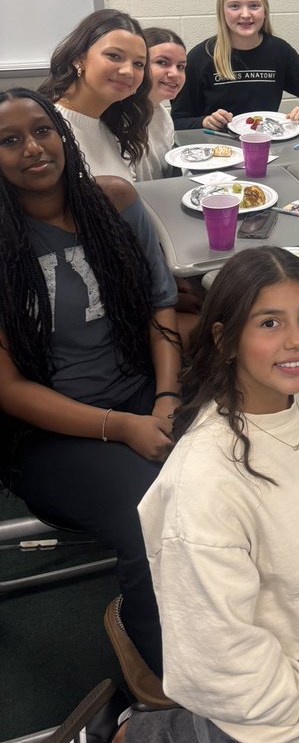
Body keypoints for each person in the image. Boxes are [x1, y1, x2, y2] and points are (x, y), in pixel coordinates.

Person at [125, 247, 299, 742]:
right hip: (261, 676)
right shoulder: (207, 477)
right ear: (225, 340)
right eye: (269, 323)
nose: (297, 340)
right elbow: (219, 655)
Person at [0, 89, 180, 706]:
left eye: (42, 131)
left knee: (244, 463)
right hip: (53, 434)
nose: (32, 149)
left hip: (141, 391)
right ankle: (152, 646)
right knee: (151, 517)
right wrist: (121, 428)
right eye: (10, 140)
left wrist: (166, 396)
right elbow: (9, 388)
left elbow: (162, 307)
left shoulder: (115, 201)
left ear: (63, 135)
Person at [171, 0, 299, 131]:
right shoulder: (200, 57)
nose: (246, 14)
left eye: (254, 5)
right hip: (217, 152)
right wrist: (204, 121)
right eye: (234, 6)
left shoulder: (279, 51)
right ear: (222, 12)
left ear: (265, 11)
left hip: (266, 149)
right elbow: (178, 121)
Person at [38, 8, 152, 183]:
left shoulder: (116, 126)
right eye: (114, 56)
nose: (128, 71)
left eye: (138, 64)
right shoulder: (45, 130)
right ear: (78, 58)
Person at [134, 27, 187, 181]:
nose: (174, 74)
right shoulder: (122, 120)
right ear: (139, 65)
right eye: (162, 62)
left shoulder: (162, 116)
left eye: (181, 66)